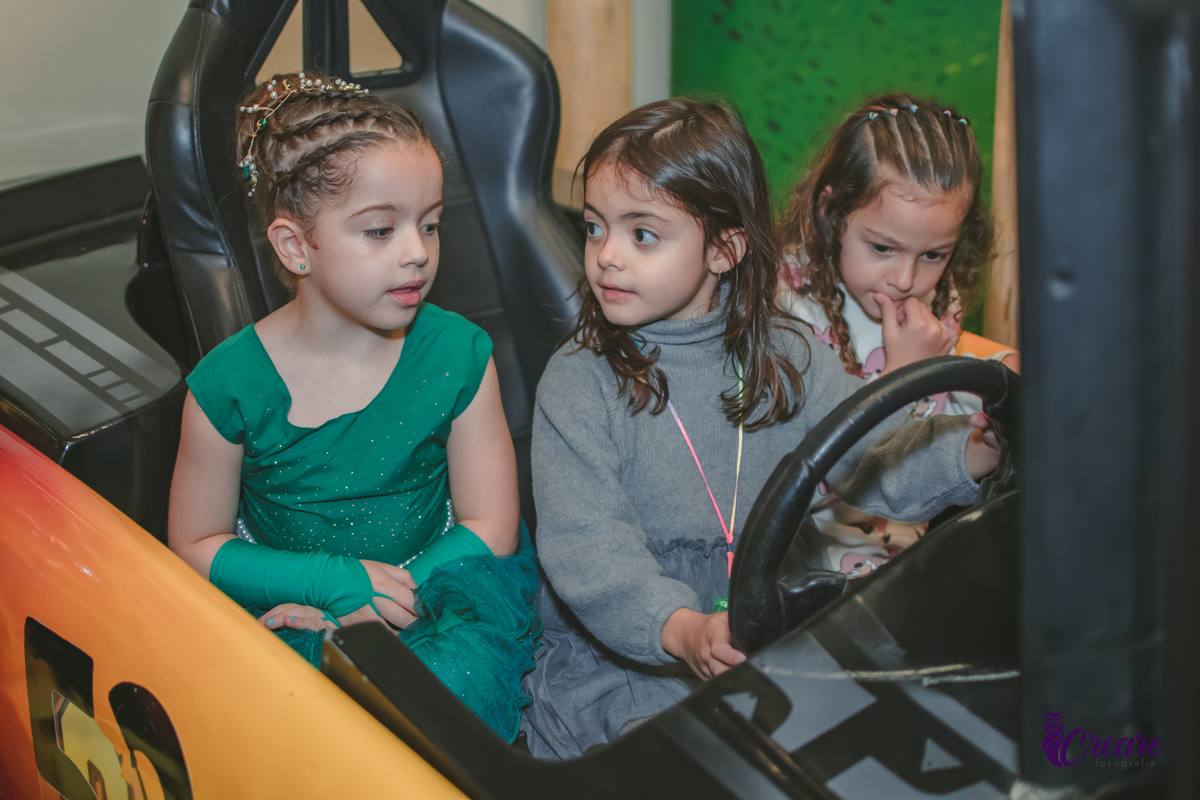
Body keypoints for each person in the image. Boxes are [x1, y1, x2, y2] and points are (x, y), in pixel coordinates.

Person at [520, 97, 1001, 759]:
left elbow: (874, 458)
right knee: (680, 764)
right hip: (632, 656)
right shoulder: (578, 382)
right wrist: (683, 630)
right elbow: (589, 552)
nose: (606, 257)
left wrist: (977, 450)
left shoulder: (788, 354)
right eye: (596, 228)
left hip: (774, 628)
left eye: (642, 234)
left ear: (724, 249)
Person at [167, 72, 538, 742]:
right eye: (379, 230)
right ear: (294, 247)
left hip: (435, 592)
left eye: (430, 224)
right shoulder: (227, 385)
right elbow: (195, 544)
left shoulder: (457, 354)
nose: (417, 252)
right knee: (290, 724)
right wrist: (330, 584)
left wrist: (385, 598)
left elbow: (491, 525)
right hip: (289, 605)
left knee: (446, 703)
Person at [777, 93, 1020, 573]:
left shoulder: (933, 300)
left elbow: (936, 414)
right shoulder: (786, 313)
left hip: (909, 537)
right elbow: (812, 474)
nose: (906, 279)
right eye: (883, 248)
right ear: (831, 211)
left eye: (933, 255)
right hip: (805, 553)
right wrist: (902, 373)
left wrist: (997, 380)